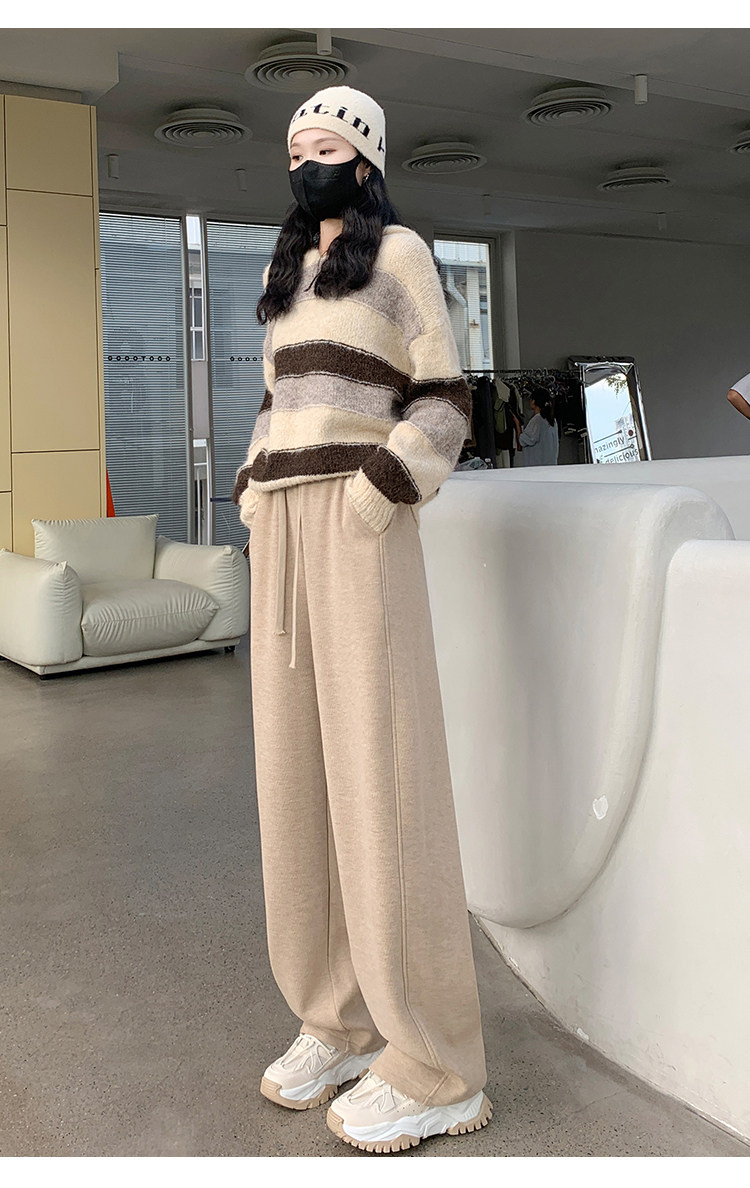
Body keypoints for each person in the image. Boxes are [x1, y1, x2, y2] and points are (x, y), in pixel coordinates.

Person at [231, 85, 492, 1154]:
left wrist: (381, 487)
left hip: (357, 521)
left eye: (325, 142)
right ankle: (332, 1020)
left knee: (384, 779)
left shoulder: (405, 257)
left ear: (367, 156)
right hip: (283, 531)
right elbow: (275, 402)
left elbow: (446, 395)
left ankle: (437, 1063)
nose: (306, 158)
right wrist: (253, 488)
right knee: (293, 779)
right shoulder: (288, 271)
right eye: (295, 145)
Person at [517, 386, 559, 466]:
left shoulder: (537, 420)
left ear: (533, 401)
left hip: (537, 468)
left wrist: (517, 424)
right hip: (550, 466)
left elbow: (522, 441)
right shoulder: (552, 420)